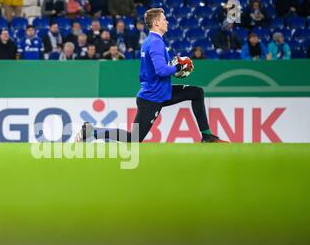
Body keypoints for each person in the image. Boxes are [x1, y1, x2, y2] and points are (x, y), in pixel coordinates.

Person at [75, 8, 227, 143]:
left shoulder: (151, 40)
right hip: (152, 97)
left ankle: (207, 136)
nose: (166, 21)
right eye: (163, 19)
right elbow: (161, 70)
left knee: (196, 92)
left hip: (161, 91)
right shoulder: (155, 42)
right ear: (156, 23)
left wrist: (174, 67)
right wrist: (178, 67)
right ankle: (91, 132)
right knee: (133, 139)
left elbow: (158, 69)